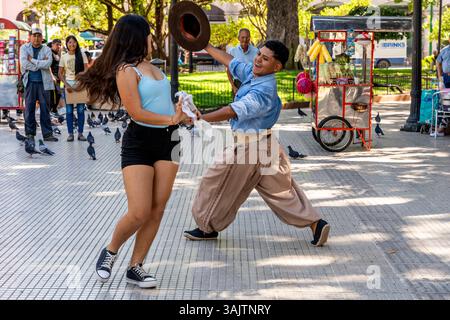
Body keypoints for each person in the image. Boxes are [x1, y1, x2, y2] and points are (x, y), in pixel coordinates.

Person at [183, 39, 331, 247]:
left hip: (249, 148)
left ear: (276, 67)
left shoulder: (263, 92)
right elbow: (231, 62)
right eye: (259, 54)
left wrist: (200, 119)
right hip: (268, 145)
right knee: (281, 193)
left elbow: (232, 110)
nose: (258, 59)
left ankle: (207, 228)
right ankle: (316, 224)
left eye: (265, 58)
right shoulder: (255, 74)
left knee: (214, 182)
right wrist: (205, 45)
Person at [77, 14, 189, 288]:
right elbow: (136, 112)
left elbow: (162, 103)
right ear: (138, 37)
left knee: (157, 209)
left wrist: (184, 112)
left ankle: (135, 266)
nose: (152, 38)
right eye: (149, 33)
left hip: (170, 140)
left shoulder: (153, 67)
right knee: (139, 211)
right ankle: (111, 251)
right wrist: (171, 119)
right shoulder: (125, 70)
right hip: (140, 141)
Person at [19, 27, 58, 142]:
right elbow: (24, 64)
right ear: (30, 37)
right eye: (34, 35)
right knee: (29, 109)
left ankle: (47, 134)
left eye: (38, 36)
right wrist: (40, 63)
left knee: (45, 109)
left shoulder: (46, 49)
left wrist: (33, 61)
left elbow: (48, 64)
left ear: (42, 38)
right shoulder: (24, 48)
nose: (36, 38)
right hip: (30, 83)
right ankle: (30, 133)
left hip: (44, 83)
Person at [58, 35, 88, 141]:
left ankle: (80, 133)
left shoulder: (82, 55)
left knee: (80, 110)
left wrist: (80, 80)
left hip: (80, 84)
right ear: (66, 44)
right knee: (69, 111)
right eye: (69, 42)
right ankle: (70, 134)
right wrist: (66, 85)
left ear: (77, 43)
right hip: (68, 85)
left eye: (74, 42)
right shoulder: (64, 56)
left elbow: (86, 70)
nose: (72, 44)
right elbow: (60, 73)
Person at [226, 28, 258, 95]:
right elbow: (228, 70)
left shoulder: (256, 51)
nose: (245, 40)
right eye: (243, 37)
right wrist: (233, 86)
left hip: (251, 83)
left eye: (247, 37)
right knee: (237, 105)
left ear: (249, 38)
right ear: (238, 38)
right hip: (237, 84)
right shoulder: (233, 51)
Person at [48, 39, 62, 115]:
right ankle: (52, 110)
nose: (58, 46)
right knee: (56, 94)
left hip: (58, 77)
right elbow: (48, 66)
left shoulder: (57, 54)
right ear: (52, 44)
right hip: (52, 77)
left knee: (57, 94)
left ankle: (54, 110)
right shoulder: (50, 53)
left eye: (60, 45)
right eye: (57, 44)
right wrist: (52, 76)